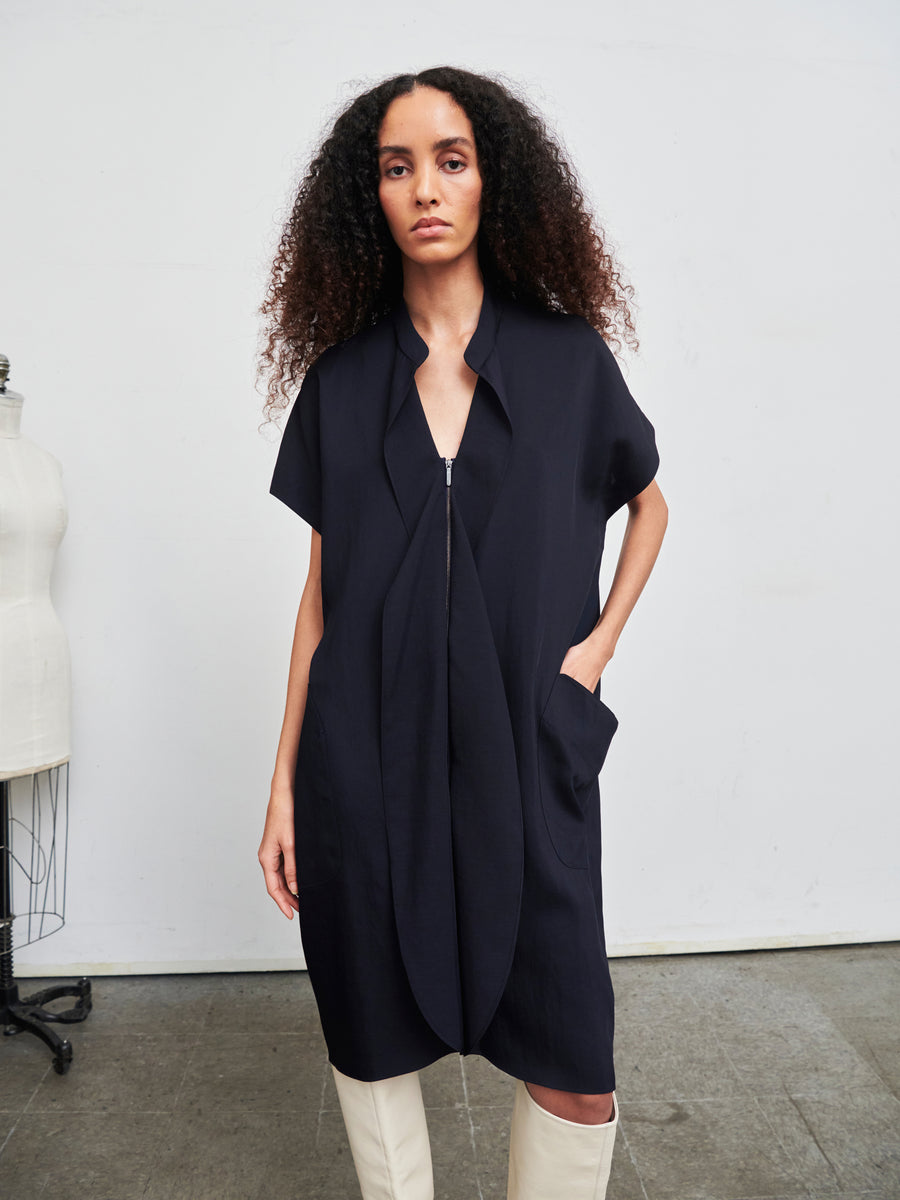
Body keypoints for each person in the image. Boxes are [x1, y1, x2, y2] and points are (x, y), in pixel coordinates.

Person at [257, 65, 668, 1200]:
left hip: (529, 758)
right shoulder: (340, 387)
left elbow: (650, 504)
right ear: (368, 198)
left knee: (577, 1058)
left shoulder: (566, 359)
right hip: (362, 767)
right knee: (368, 1028)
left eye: (451, 159)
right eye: (397, 167)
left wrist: (593, 655)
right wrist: (285, 784)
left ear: (496, 180)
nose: (425, 188)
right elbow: (319, 599)